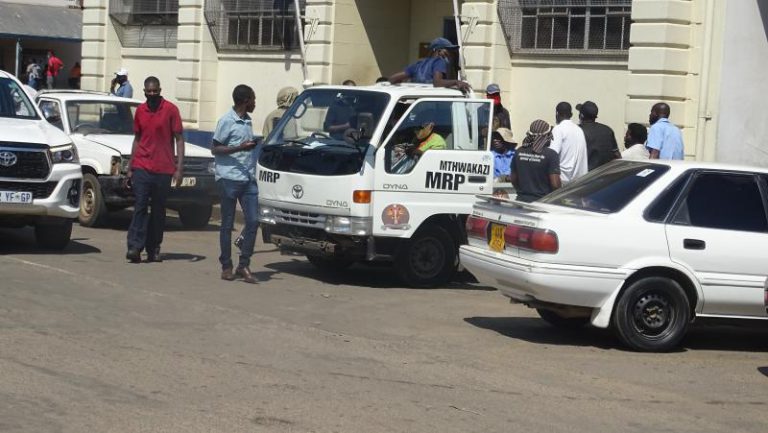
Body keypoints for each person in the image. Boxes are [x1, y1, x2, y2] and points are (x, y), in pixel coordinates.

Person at [125, 76, 185, 263]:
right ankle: (135, 247)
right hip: (142, 166)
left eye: (155, 91)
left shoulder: (171, 110)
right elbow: (137, 139)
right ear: (144, 91)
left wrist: (179, 168)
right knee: (140, 207)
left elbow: (179, 139)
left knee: (158, 210)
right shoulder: (140, 111)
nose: (152, 94)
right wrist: (130, 166)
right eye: (149, 91)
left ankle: (154, 248)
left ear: (160, 90)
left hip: (163, 169)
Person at [212, 85, 261, 284]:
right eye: (253, 99)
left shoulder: (248, 121)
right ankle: (226, 265)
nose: (255, 103)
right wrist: (240, 147)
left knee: (253, 220)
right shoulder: (226, 121)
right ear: (245, 101)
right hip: (228, 178)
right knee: (227, 224)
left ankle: (244, 264)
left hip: (248, 178)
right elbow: (215, 148)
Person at [388, 37, 470, 91]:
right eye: (448, 50)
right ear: (439, 51)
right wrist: (456, 82)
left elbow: (392, 78)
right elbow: (437, 83)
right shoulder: (439, 61)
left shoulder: (418, 64)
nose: (450, 54)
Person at [510, 119, 561, 203]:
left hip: (521, 201)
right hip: (543, 203)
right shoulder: (551, 155)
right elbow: (555, 184)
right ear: (546, 136)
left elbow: (513, 179)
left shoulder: (519, 151)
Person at [550, 101, 588, 185]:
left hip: (564, 182)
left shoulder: (558, 129)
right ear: (571, 114)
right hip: (580, 181)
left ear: (557, 114)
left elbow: (552, 155)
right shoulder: (579, 129)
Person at [576, 100, 620, 170]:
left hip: (586, 177)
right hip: (606, 175)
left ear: (581, 115)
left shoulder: (577, 130)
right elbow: (617, 155)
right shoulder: (608, 130)